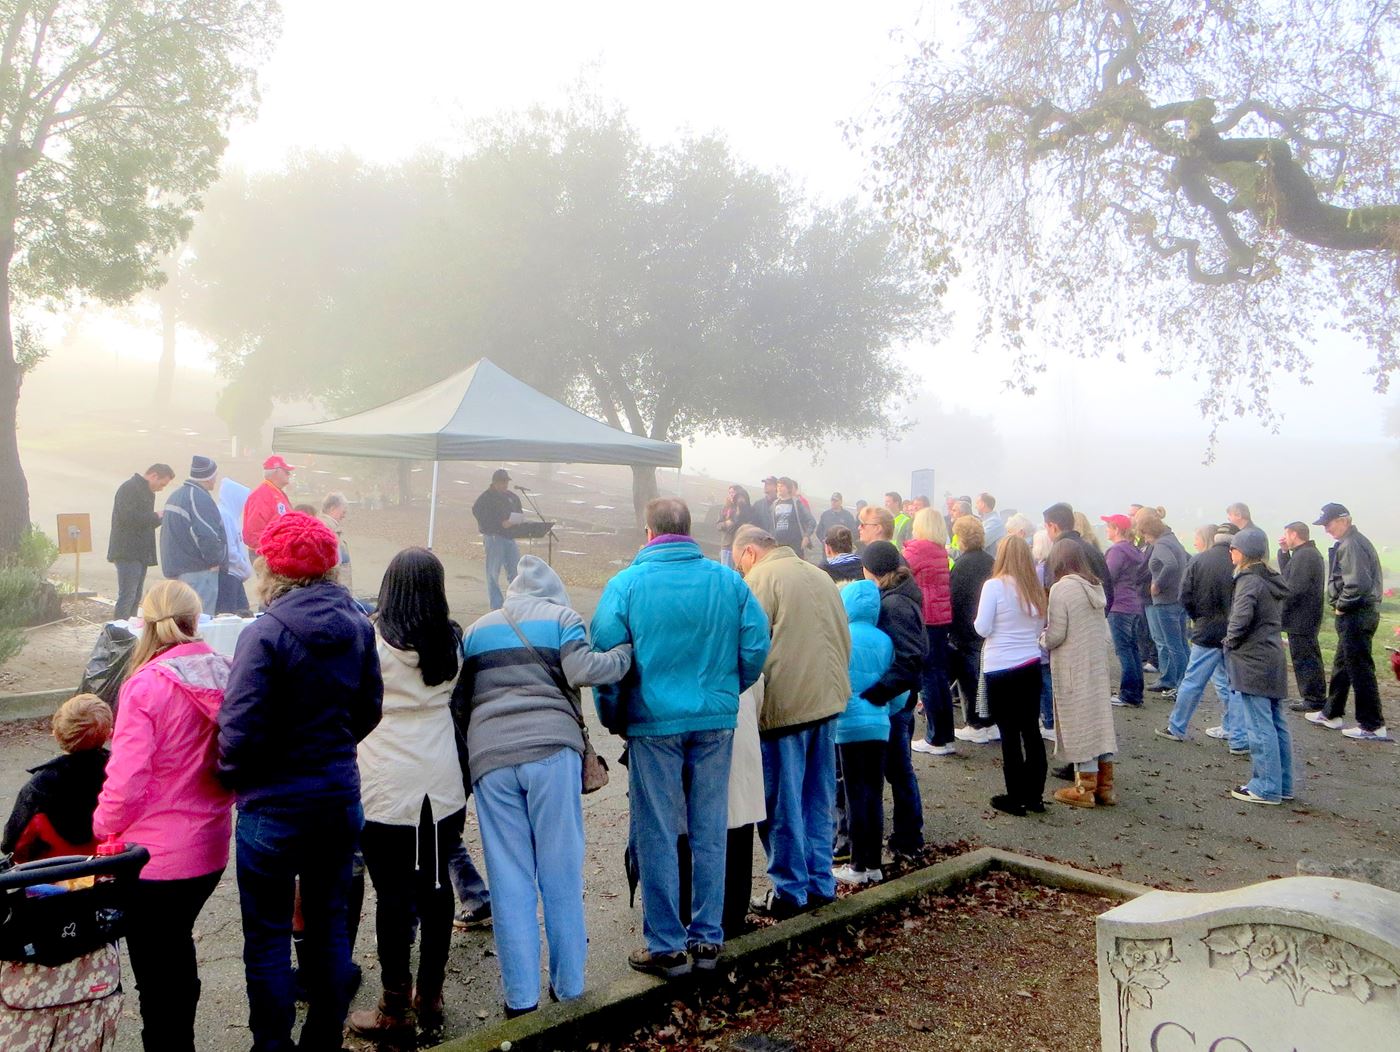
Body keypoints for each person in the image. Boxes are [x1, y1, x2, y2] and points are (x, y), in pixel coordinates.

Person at [219, 512, 383, 1052]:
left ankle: (271, 1045)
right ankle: (322, 1041)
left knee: (267, 936)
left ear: (269, 568)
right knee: (329, 926)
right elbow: (369, 710)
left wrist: (236, 776)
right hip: (336, 798)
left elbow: (238, 730)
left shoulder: (264, 633)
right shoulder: (359, 625)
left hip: (274, 806)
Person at [590, 498, 769, 978]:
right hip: (713, 720)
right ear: (688, 530)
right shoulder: (727, 580)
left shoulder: (626, 585)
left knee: (659, 832)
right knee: (711, 829)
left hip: (653, 722)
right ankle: (708, 939)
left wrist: (613, 717)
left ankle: (666, 944)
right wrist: (726, 692)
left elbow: (608, 658)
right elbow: (756, 644)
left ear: (649, 532)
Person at [456, 556, 631, 1016]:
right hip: (552, 751)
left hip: (490, 758)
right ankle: (569, 989)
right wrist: (624, 655)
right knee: (560, 874)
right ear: (554, 591)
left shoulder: (477, 630)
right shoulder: (562, 618)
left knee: (509, 879)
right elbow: (582, 670)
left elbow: (460, 701)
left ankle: (520, 999)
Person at [93, 580, 235, 1052]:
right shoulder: (224, 671)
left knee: (156, 975)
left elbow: (127, 779)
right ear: (198, 619)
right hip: (210, 846)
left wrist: (101, 826)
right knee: (175, 954)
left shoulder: (145, 686)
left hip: (151, 857)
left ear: (145, 624)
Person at [348, 549, 468, 1041]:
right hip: (440, 779)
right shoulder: (452, 641)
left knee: (392, 895)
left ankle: (393, 1005)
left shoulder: (369, 640)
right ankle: (431, 995)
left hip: (385, 778)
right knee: (437, 886)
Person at [733, 524, 850, 910]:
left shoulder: (760, 580)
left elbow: (750, 645)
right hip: (827, 702)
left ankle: (790, 890)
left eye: (739, 564)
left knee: (782, 805)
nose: (740, 571)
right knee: (818, 799)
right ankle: (821, 882)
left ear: (749, 552)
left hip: (786, 708)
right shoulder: (820, 574)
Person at [859, 540, 928, 858]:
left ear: (870, 571)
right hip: (898, 697)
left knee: (898, 770)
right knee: (898, 770)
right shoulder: (900, 593)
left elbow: (910, 658)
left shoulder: (895, 604)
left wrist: (876, 694)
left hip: (894, 701)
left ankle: (909, 838)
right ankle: (908, 834)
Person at [974, 533, 1048, 815]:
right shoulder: (1035, 589)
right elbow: (1038, 626)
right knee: (1031, 730)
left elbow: (982, 628)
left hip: (1001, 666)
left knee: (1009, 734)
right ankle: (1035, 795)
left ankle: (1014, 796)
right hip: (1029, 664)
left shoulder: (993, 587)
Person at [1157, 524, 1249, 751]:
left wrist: (1198, 617)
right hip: (1235, 632)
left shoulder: (1199, 560)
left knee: (1192, 682)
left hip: (1206, 630)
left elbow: (1184, 595)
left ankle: (1177, 727)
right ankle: (1237, 737)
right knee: (1234, 685)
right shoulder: (1241, 563)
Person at [1043, 542, 1118, 808]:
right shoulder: (1094, 585)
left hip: (1073, 664)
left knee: (1080, 723)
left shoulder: (1062, 589)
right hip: (1096, 663)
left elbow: (1056, 633)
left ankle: (1084, 788)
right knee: (1099, 721)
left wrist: (1042, 639)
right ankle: (1105, 788)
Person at [1222, 530, 1295, 803]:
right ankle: (1283, 784)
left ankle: (1265, 786)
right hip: (1271, 654)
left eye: (1233, 548)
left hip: (1253, 659)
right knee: (1277, 723)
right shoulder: (1270, 579)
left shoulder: (1249, 581)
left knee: (1259, 724)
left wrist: (1229, 642)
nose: (1230, 552)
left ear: (1243, 551)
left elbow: (1240, 618)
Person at [1306, 503, 1388, 740]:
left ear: (1344, 520)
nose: (1327, 529)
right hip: (1357, 614)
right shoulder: (1351, 542)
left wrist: (1342, 605)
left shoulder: (1352, 544)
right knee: (1342, 666)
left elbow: (1358, 585)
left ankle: (1372, 725)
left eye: (1329, 524)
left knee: (1361, 670)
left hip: (1356, 615)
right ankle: (1332, 713)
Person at [832, 580, 894, 885]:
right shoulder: (885, 640)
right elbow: (895, 689)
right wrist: (887, 713)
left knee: (854, 795)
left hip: (848, 727)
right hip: (879, 725)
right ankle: (874, 863)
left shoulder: (841, 637)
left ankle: (856, 864)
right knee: (875, 793)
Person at [2, 694, 111, 862]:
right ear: (108, 734)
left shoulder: (40, 786)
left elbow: (12, 845)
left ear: (56, 734)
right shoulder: (119, 775)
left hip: (52, 875)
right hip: (109, 865)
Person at [904, 509, 956, 757]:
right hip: (941, 618)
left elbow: (900, 572)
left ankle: (935, 738)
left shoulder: (917, 550)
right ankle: (946, 735)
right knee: (939, 677)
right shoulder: (939, 550)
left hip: (925, 617)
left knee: (928, 678)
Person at [159, 455, 227, 616]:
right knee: (200, 620)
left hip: (176, 570)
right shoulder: (199, 498)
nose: (215, 480)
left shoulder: (176, 495)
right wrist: (215, 560)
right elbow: (206, 534)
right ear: (209, 477)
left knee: (180, 619)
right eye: (214, 476)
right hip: (197, 571)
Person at [949, 516, 997, 743]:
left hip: (966, 629)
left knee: (969, 679)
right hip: (988, 628)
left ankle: (976, 724)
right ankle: (990, 721)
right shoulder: (991, 561)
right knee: (986, 678)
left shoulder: (962, 564)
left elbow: (954, 598)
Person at [108, 464, 174, 619]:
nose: (161, 488)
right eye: (162, 484)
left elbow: (144, 523)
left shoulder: (147, 491)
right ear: (154, 476)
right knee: (127, 596)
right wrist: (155, 516)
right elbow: (126, 517)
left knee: (136, 597)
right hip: (127, 552)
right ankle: (118, 633)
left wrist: (160, 518)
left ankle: (129, 631)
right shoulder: (129, 488)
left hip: (140, 553)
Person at [1139, 511, 1191, 696]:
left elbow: (1170, 565)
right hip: (1177, 599)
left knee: (1173, 645)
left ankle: (1181, 684)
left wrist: (1157, 584)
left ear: (1150, 532)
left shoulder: (1161, 544)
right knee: (1182, 643)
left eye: (1144, 534)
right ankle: (1177, 680)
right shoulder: (1173, 540)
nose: (1145, 539)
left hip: (1165, 600)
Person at [1278, 521, 1327, 713]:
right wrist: (1283, 552)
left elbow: (1295, 588)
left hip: (1302, 616)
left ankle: (1313, 698)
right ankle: (1312, 696)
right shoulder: (1304, 554)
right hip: (1303, 615)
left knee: (1305, 657)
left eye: (1286, 535)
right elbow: (1288, 574)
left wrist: (1281, 607)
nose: (1285, 539)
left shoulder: (1306, 556)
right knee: (1304, 655)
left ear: (1294, 534)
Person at [1101, 514, 1148, 708]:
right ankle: (1136, 691)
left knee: (1124, 650)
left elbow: (1107, 576)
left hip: (1119, 605)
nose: (1106, 530)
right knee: (1133, 649)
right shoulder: (1134, 550)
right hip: (1134, 604)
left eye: (1108, 526)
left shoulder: (1117, 551)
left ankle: (1128, 694)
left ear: (1116, 529)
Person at [472, 468, 525, 610]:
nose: (505, 485)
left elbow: (519, 511)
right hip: (494, 537)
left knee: (515, 571)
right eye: (502, 482)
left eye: (506, 482)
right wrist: (497, 525)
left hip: (510, 537)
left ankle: (515, 602)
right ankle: (496, 605)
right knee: (493, 572)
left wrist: (517, 520)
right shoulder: (486, 498)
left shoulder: (512, 497)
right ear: (494, 482)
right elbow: (477, 512)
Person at [1043, 502, 1112, 608]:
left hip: (1069, 619)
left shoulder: (1057, 554)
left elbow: (1051, 592)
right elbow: (1107, 586)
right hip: (1096, 617)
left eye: (1046, 527)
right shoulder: (1091, 549)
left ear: (1053, 526)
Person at [242, 455, 295, 556]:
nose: (289, 474)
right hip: (267, 554)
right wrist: (273, 549)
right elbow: (253, 533)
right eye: (286, 471)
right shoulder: (261, 495)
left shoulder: (276, 492)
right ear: (276, 472)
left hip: (278, 552)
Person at [216, 480, 255, 616]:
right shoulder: (224, 515)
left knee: (243, 611)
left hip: (236, 574)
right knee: (230, 614)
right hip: (229, 575)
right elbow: (230, 550)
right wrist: (245, 569)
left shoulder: (231, 516)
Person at [769, 477, 816, 559]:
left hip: (795, 546)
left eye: (782, 486)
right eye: (778, 486)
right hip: (778, 545)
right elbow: (771, 525)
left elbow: (811, 521)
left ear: (789, 488)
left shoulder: (797, 504)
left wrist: (806, 536)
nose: (779, 488)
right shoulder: (774, 505)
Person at [319, 492, 354, 594]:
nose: (344, 514)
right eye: (343, 510)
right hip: (335, 592)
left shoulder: (329, 527)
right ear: (332, 508)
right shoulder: (327, 528)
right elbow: (333, 566)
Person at [716, 484, 755, 568]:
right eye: (729, 492)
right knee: (727, 572)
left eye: (733, 492)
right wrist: (726, 523)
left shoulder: (747, 509)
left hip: (742, 545)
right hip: (727, 546)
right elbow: (718, 525)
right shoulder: (725, 508)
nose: (731, 494)